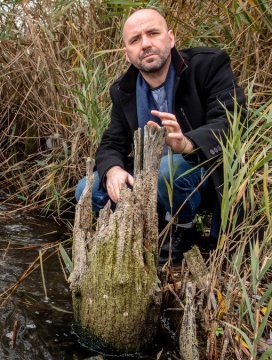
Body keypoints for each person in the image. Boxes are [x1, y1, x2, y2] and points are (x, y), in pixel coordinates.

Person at [75, 8, 247, 264]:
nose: (145, 44)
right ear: (127, 53)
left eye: (153, 33)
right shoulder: (123, 90)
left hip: (206, 173)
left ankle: (182, 230)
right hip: (149, 179)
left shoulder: (207, 64)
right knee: (86, 190)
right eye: (135, 40)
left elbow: (232, 119)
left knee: (168, 168)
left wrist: (187, 143)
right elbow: (112, 141)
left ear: (171, 38)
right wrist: (113, 170)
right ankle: (151, 225)